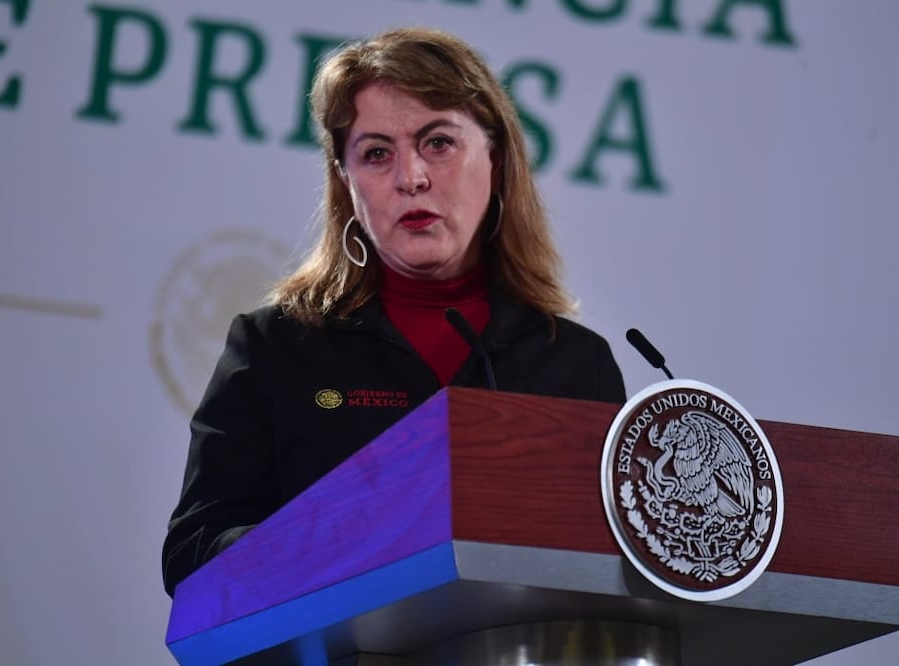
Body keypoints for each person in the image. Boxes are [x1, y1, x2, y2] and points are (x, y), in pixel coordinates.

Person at [162, 26, 626, 597]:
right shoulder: (275, 346)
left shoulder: (577, 365)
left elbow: (609, 570)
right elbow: (192, 555)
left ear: (496, 158)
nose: (411, 178)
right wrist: (342, 538)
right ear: (346, 182)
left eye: (439, 142)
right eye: (377, 154)